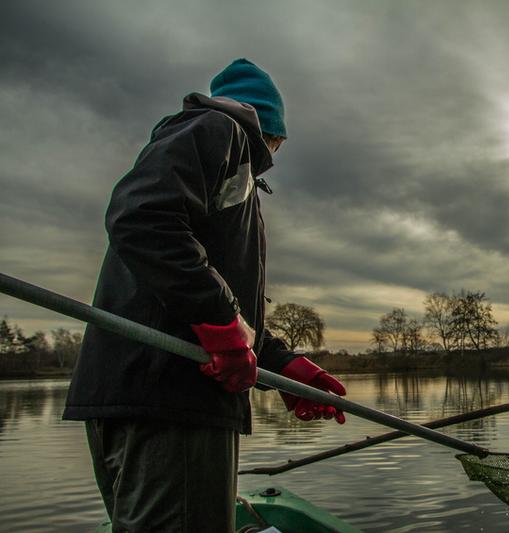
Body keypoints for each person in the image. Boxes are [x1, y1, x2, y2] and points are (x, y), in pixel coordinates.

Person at [63, 58, 346, 532]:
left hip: (136, 393)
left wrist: (282, 365)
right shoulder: (223, 132)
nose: (276, 152)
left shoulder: (223, 162)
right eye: (278, 143)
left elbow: (220, 307)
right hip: (173, 401)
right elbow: (142, 218)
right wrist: (220, 322)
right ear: (270, 129)